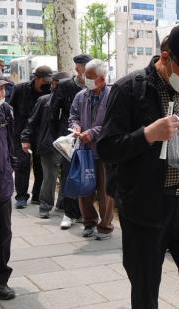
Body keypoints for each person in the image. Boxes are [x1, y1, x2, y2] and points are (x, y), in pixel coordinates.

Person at [96, 23, 179, 308]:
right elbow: (107, 148)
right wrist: (147, 135)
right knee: (145, 290)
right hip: (147, 209)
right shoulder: (129, 89)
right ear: (165, 58)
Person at [69, 59, 114, 241]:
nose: (86, 80)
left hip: (105, 151)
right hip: (84, 149)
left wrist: (93, 132)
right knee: (84, 188)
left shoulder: (113, 96)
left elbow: (113, 123)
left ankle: (105, 226)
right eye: (85, 76)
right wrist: (76, 127)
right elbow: (73, 115)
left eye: (90, 77)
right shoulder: (81, 96)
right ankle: (89, 222)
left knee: (106, 192)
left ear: (102, 79)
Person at [50, 54, 92, 229]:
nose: (88, 73)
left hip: (91, 138)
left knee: (89, 175)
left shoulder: (96, 84)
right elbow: (53, 113)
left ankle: (86, 214)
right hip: (71, 137)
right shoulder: (66, 86)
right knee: (69, 175)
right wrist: (57, 138)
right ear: (78, 69)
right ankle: (69, 213)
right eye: (85, 69)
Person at [21, 72, 70, 219]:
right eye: (55, 83)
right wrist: (26, 138)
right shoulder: (44, 101)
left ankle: (62, 204)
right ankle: (45, 205)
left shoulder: (73, 99)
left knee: (66, 176)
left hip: (68, 144)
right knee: (49, 176)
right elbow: (32, 122)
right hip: (49, 145)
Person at [9, 65, 52, 209]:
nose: (47, 83)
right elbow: (11, 108)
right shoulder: (20, 89)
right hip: (20, 133)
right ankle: (21, 196)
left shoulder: (49, 91)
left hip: (40, 135)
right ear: (36, 78)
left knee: (40, 166)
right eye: (44, 80)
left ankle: (37, 195)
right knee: (22, 164)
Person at [0, 76, 16, 300]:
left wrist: (12, 164)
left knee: (4, 233)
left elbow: (10, 141)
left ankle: (1, 280)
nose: (2, 92)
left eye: (2, 88)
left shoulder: (5, 111)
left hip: (2, 182)